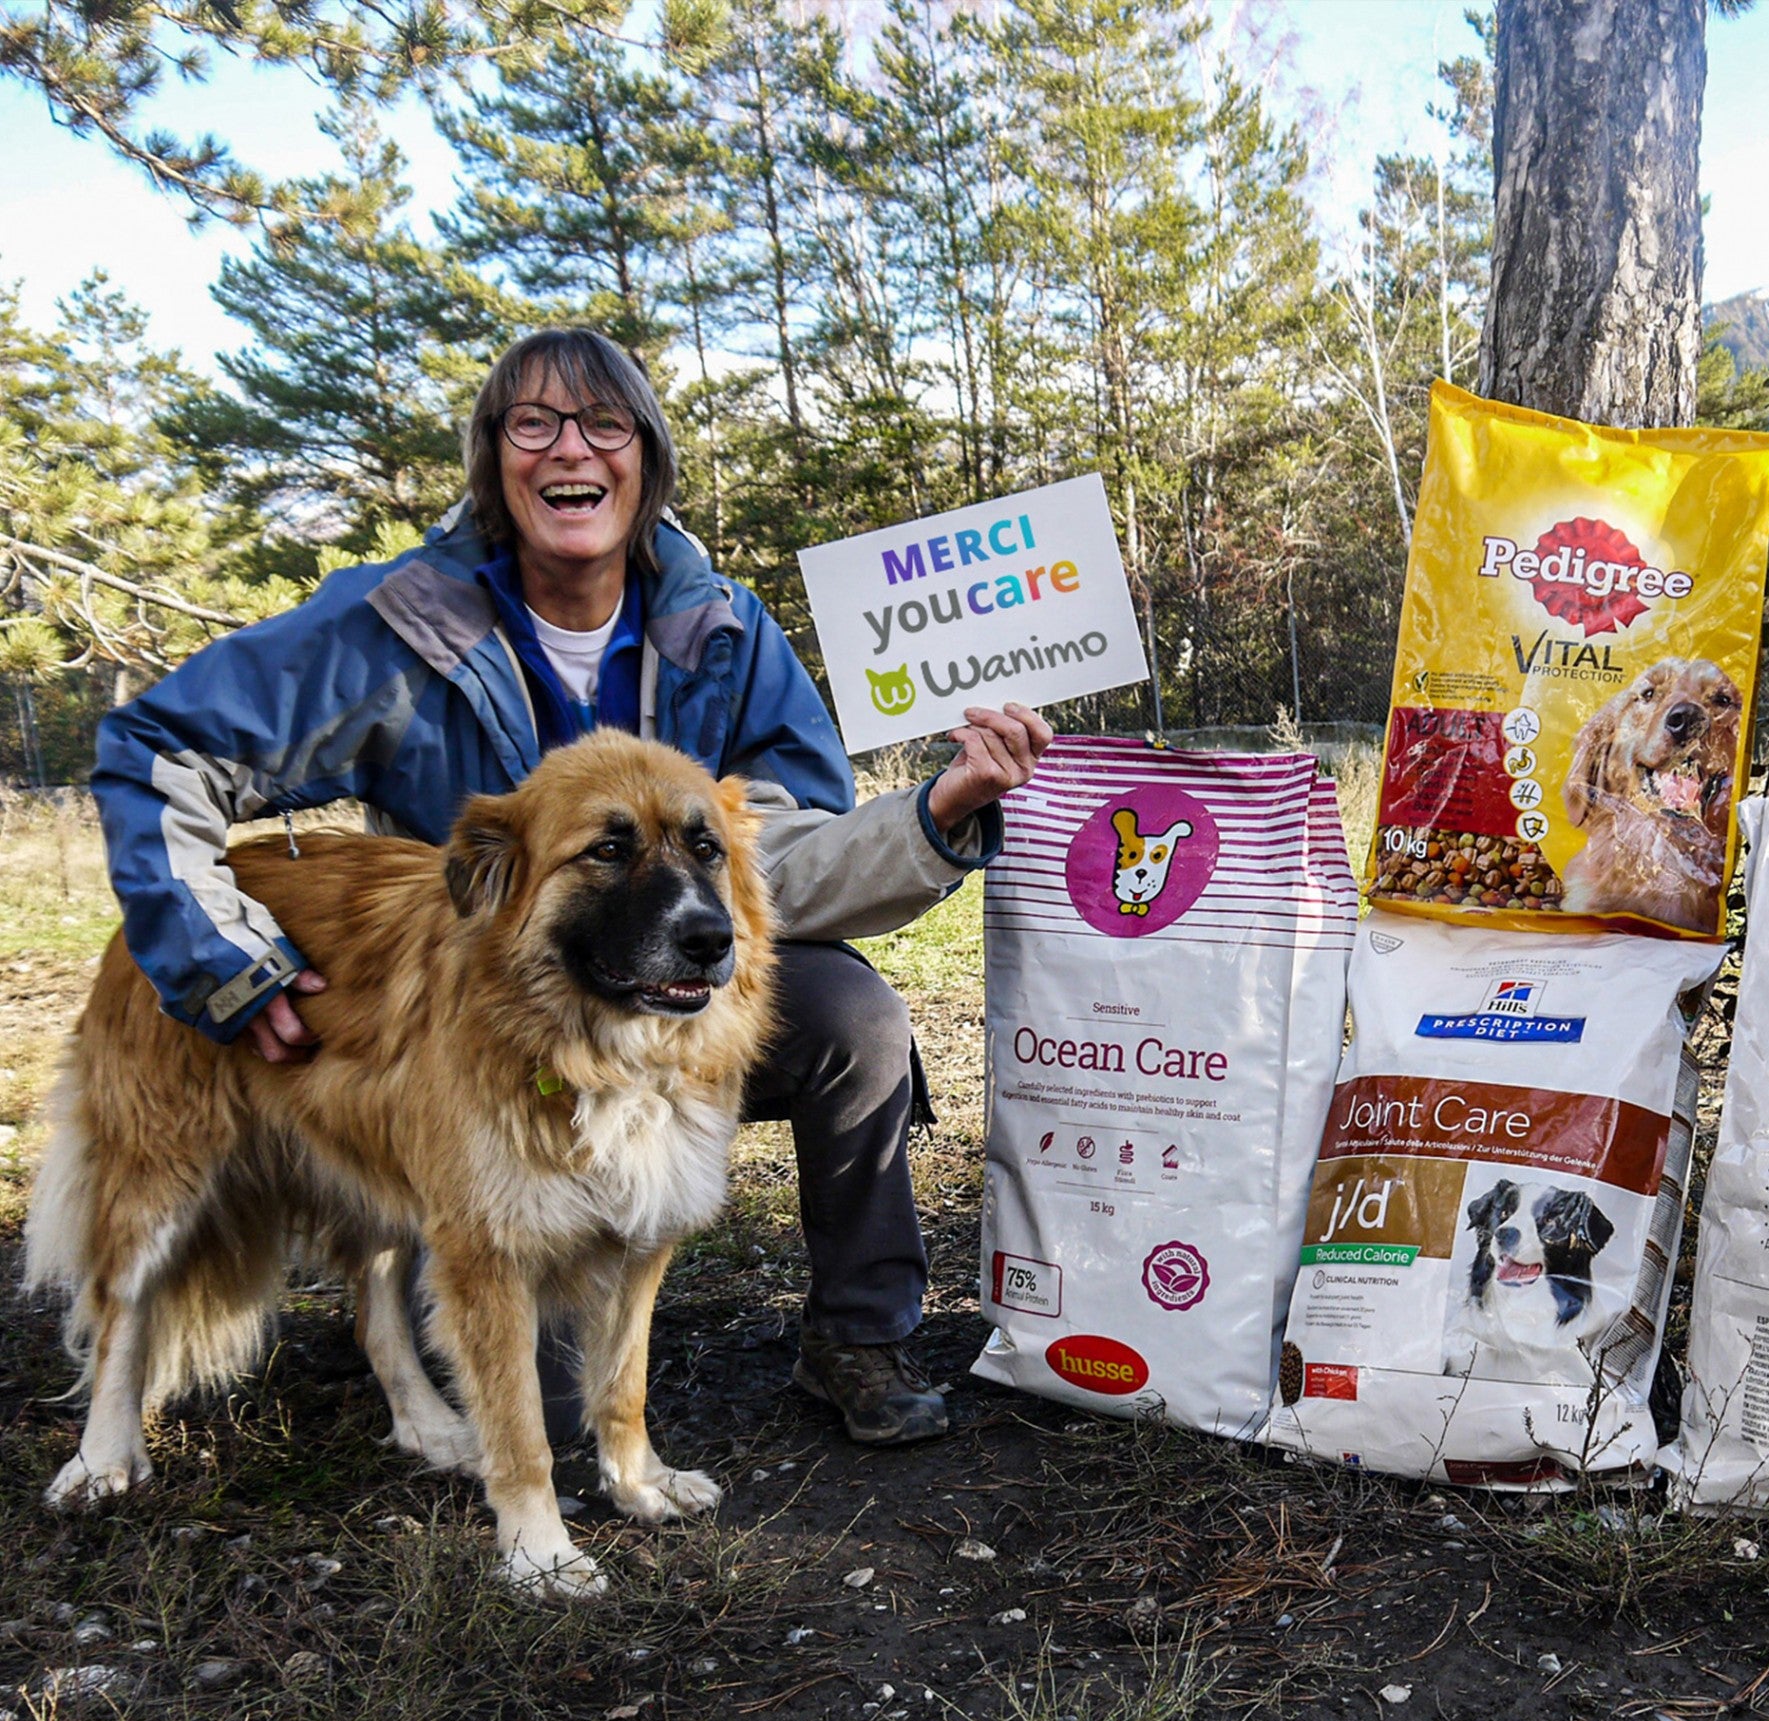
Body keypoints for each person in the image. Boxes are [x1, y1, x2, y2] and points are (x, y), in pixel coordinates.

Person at [92, 326, 1052, 1446]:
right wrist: (227, 966)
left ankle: (859, 1333)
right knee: (525, 1406)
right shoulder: (394, 623)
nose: (569, 449)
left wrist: (934, 811)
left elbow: (778, 863)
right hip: (479, 1024)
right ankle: (431, 1285)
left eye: (604, 424)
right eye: (532, 423)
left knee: (854, 1014)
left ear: (644, 460)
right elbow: (155, 750)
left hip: (660, 1011)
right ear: (493, 457)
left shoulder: (726, 633)